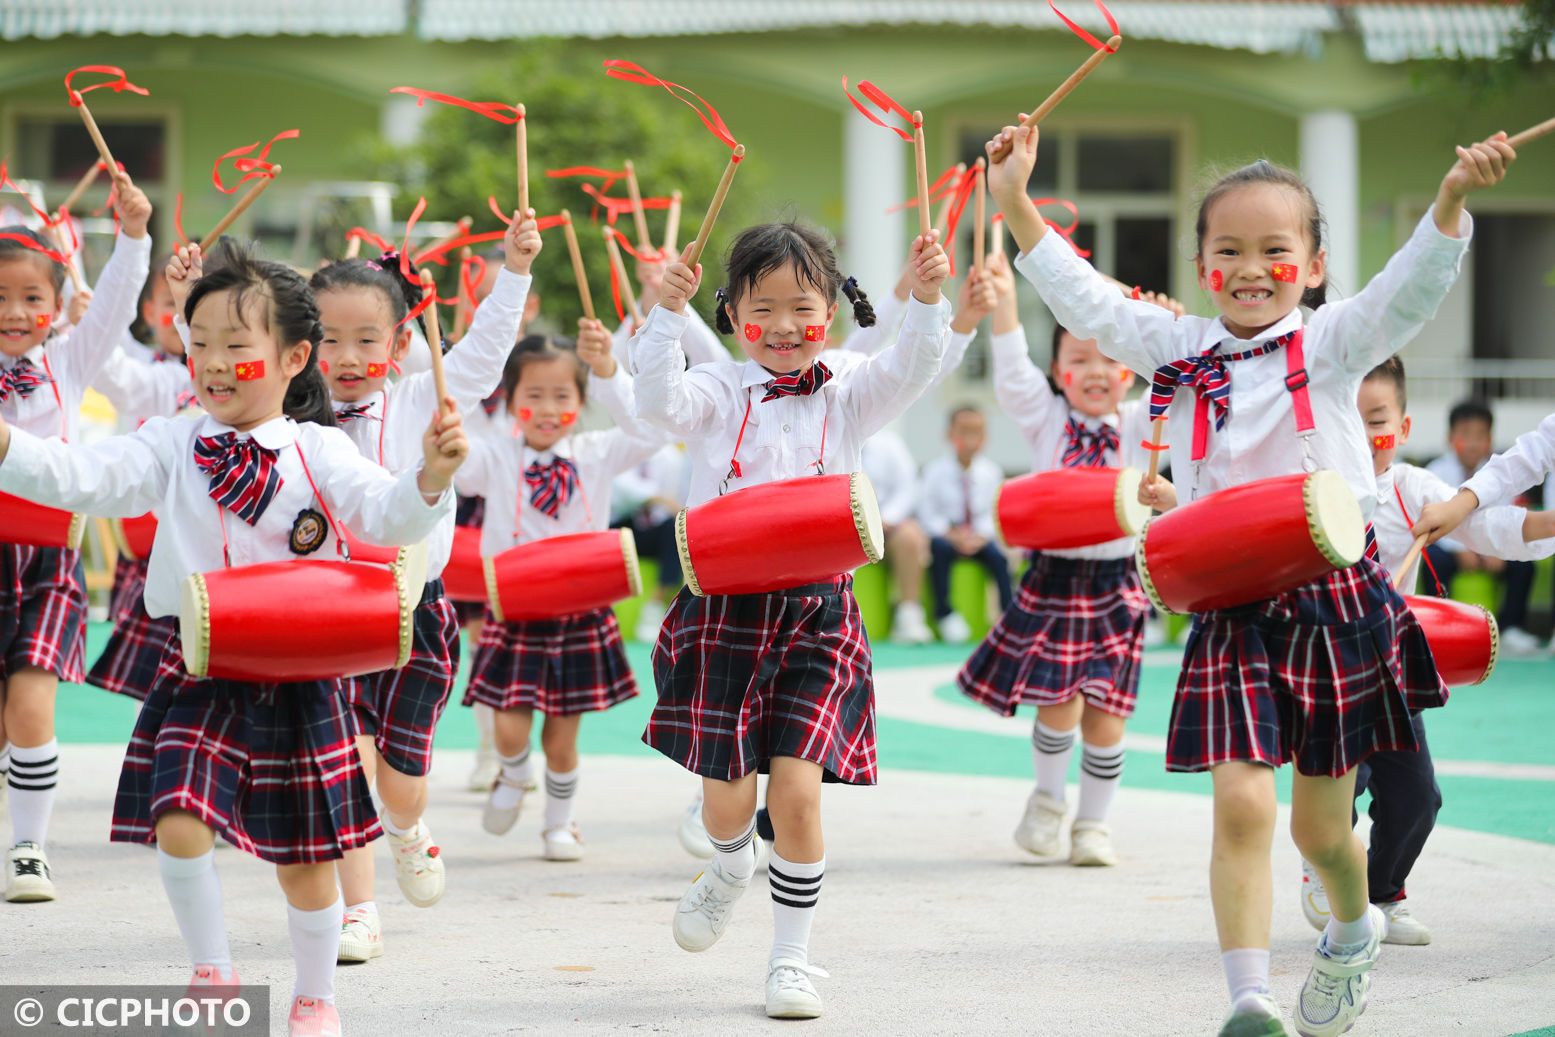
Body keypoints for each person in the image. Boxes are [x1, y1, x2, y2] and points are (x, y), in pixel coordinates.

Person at [989, 115, 1515, 1037]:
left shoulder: (1335, 344)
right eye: (1226, 248)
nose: (1247, 266)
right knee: (1239, 806)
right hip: (1230, 605)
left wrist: (1449, 202)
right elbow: (1089, 301)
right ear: (1200, 265)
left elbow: (1409, 291)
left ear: (1311, 266)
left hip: (1334, 604)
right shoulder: (1178, 349)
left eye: (1274, 249)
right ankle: (1247, 998)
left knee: (1319, 831)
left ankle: (1350, 933)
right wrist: (1012, 204)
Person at [0, 242, 467, 1036]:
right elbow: (81, 475)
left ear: (292, 357)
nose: (213, 364)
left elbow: (387, 516)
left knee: (305, 860)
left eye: (235, 347)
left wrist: (428, 478)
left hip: (301, 678)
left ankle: (315, 995)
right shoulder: (172, 442)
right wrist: (9, 446)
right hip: (201, 666)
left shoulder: (321, 449)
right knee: (177, 813)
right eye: (201, 344)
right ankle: (212, 969)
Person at [634, 220, 950, 1019]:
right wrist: (664, 317)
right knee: (725, 804)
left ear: (833, 310)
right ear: (731, 312)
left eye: (801, 306)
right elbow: (657, 402)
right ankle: (730, 865)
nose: (781, 326)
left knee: (800, 796)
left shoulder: (848, 389)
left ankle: (791, 961)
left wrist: (928, 297)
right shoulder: (715, 391)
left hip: (818, 614)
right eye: (760, 307)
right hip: (724, 613)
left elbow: (915, 365)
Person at [308, 211, 538, 961]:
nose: (346, 357)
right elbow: (214, 359)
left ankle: (406, 828)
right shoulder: (289, 417)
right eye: (327, 341)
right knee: (342, 759)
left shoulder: (421, 399)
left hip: (415, 615)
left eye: (366, 340)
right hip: (324, 614)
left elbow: (481, 353)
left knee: (398, 784)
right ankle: (358, 909)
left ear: (400, 345)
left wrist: (514, 270)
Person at [1288, 358, 1555, 949]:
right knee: (1338, 782)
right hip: (1326, 669)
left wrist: (1547, 524)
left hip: (1392, 671)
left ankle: (1383, 891)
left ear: (1404, 429)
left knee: (1417, 798)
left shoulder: (1411, 489)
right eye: (1347, 421)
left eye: (1377, 420)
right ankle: (1322, 866)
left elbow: (1490, 527)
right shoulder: (1307, 488)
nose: (1362, 436)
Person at [956, 251, 1160, 867]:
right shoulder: (1047, 420)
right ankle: (1047, 800)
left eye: (1110, 359)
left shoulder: (1141, 422)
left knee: (1107, 713)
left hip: (1118, 582)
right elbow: (1012, 369)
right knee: (1061, 702)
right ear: (1058, 371)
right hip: (1055, 578)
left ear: (1132, 370)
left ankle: (1092, 827)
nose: (1095, 371)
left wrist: (1156, 320)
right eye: (1078, 359)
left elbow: (1188, 379)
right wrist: (1008, 301)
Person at [0, 173, 152, 903]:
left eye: (31, 297)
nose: (14, 311)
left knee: (31, 703)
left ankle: (28, 848)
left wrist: (132, 236)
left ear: (57, 308)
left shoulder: (67, 360)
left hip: (47, 565)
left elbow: (118, 305)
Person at [459, 330, 662, 861]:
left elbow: (651, 430)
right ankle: (512, 771)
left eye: (562, 396)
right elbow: (452, 464)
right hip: (516, 609)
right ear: (510, 402)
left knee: (563, 740)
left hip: (578, 611)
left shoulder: (597, 452)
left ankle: (560, 824)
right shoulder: (495, 456)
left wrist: (610, 372)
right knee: (508, 726)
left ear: (581, 400)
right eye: (533, 396)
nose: (547, 409)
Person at [1424, 401, 1540, 654]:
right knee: (1433, 560)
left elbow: (1505, 515)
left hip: (1490, 549)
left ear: (1490, 440)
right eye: (1466, 435)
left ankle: (1510, 627)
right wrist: (1459, 549)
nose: (1473, 443)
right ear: (1450, 438)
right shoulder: (1435, 471)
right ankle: (1438, 627)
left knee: (1524, 565)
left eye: (1480, 436)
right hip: (1451, 547)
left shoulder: (1499, 471)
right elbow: (1432, 518)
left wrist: (1494, 551)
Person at [916, 405, 1013, 642]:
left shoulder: (991, 472)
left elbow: (995, 511)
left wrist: (979, 535)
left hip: (978, 538)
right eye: (964, 431)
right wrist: (951, 534)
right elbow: (927, 512)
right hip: (948, 538)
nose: (970, 439)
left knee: (999, 560)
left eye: (977, 432)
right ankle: (944, 611)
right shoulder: (934, 472)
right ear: (950, 435)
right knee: (939, 553)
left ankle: (1009, 615)